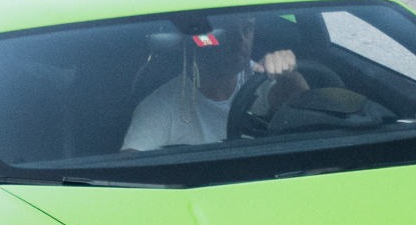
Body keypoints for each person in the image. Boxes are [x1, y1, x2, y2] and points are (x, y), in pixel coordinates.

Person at [121, 19, 304, 152]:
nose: (240, 40)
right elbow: (129, 172)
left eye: (247, 29)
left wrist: (290, 75)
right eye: (227, 31)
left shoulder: (264, 78)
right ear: (201, 40)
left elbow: (314, 120)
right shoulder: (160, 107)